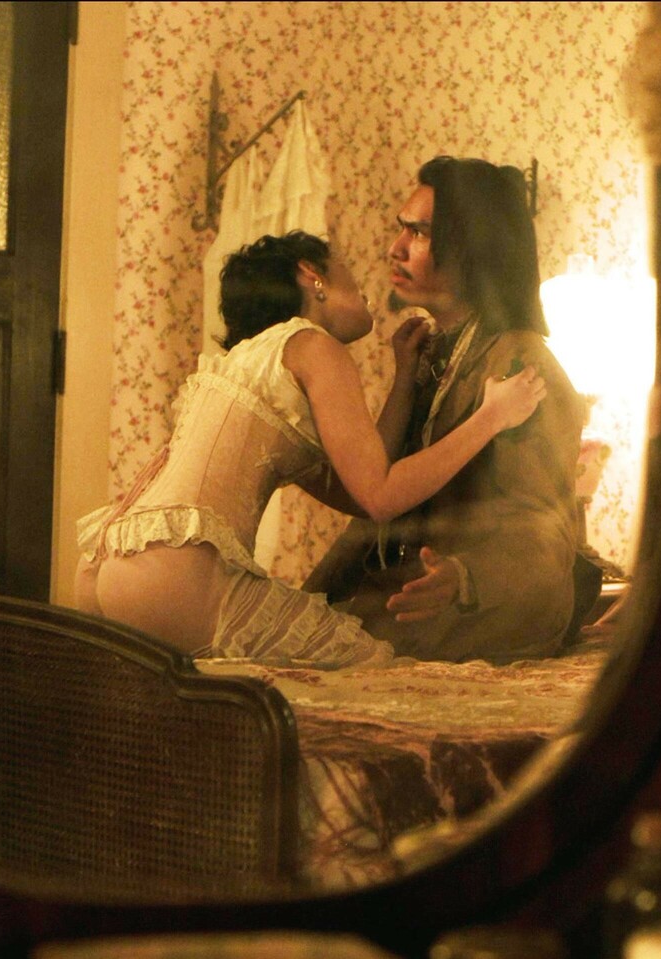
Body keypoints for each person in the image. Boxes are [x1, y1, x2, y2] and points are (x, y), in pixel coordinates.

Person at [73, 231, 547, 668]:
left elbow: (360, 489)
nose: (364, 287)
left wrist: (404, 375)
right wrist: (493, 416)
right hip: (175, 571)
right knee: (378, 668)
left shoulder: (252, 363)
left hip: (108, 564)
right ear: (311, 274)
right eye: (347, 269)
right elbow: (382, 497)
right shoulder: (313, 344)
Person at [303, 157, 595, 664]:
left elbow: (546, 534)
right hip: (414, 594)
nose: (396, 248)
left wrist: (464, 578)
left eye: (419, 233)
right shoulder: (431, 351)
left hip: (488, 613)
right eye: (402, 229)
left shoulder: (522, 367)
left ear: (474, 248)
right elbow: (380, 499)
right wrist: (311, 599)